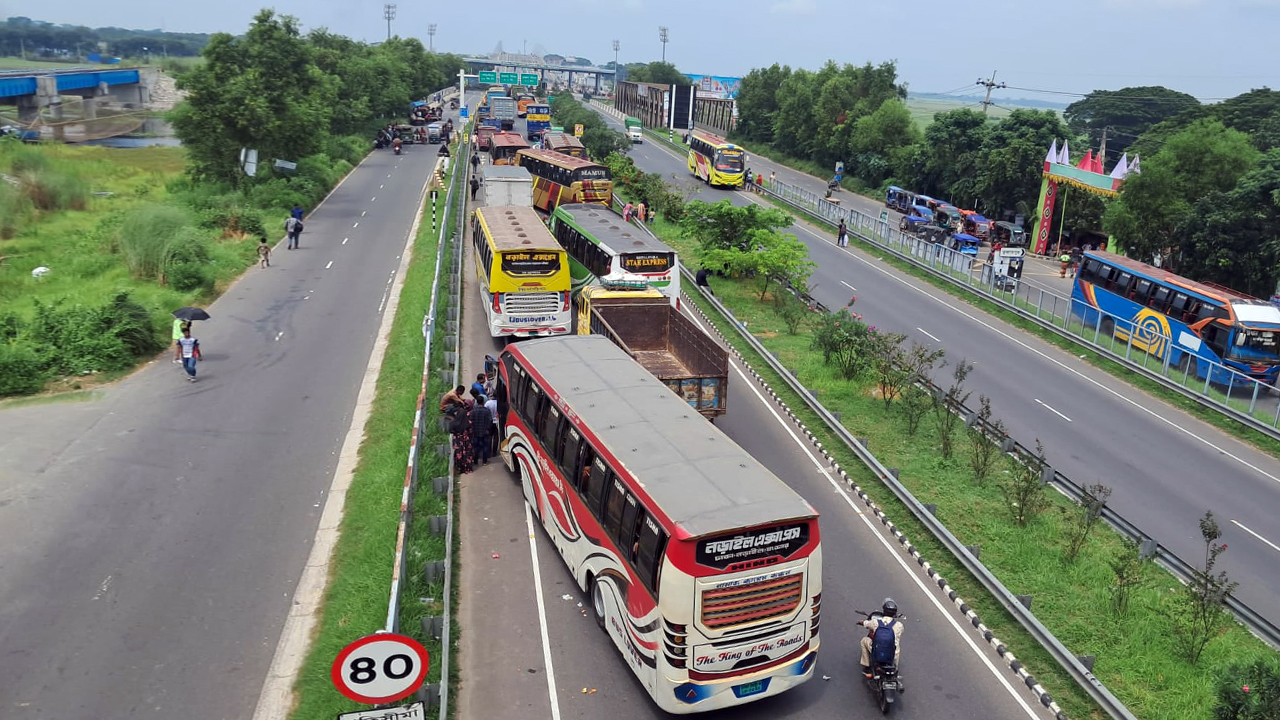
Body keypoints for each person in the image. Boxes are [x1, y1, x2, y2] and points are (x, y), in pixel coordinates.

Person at [859, 598, 904, 680]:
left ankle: (866, 666)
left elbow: (866, 624)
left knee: (864, 640)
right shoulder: (899, 625)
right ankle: (895, 668)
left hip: (877, 651)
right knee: (896, 646)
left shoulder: (876, 622)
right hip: (892, 655)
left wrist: (861, 622)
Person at [446, 400, 475, 474]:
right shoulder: (467, 422)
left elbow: (451, 431)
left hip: (458, 439)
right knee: (467, 453)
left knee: (459, 453)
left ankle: (460, 468)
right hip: (466, 439)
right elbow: (471, 431)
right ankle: (468, 468)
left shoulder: (453, 423)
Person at [469, 398, 494, 466]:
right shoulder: (487, 411)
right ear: (483, 402)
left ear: (477, 402)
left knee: (476, 446)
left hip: (476, 431)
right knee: (485, 446)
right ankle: (484, 461)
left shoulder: (473, 411)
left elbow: (470, 421)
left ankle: (476, 460)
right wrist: (488, 429)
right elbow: (490, 421)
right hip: (485, 431)